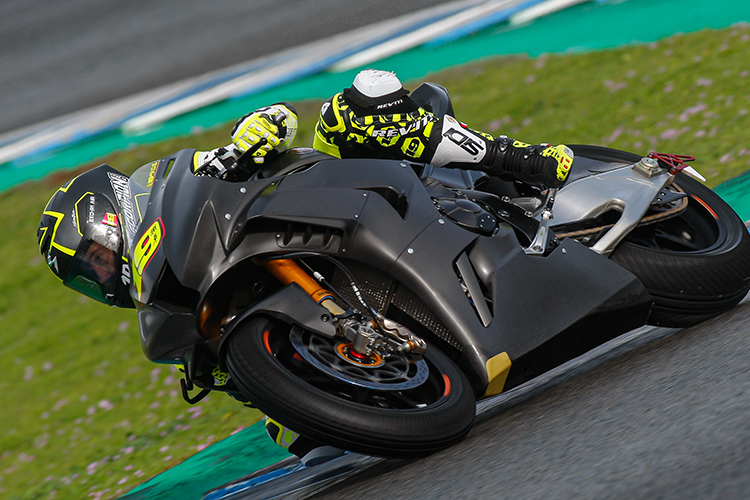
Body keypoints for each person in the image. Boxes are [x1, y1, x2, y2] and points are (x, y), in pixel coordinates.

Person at [37, 69, 573, 466]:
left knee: (359, 104)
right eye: (89, 278)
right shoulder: (162, 310)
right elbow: (251, 385)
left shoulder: (176, 185)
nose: (101, 275)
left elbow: (278, 115)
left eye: (94, 259)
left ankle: (519, 160)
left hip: (363, 187)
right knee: (294, 441)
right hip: (360, 301)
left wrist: (249, 139)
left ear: (103, 216)